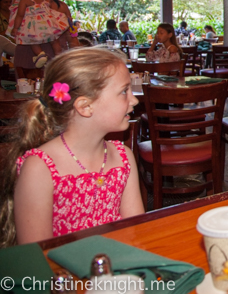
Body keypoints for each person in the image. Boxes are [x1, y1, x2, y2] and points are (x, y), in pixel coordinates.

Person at [0, 48, 143, 246]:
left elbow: (137, 233)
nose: (134, 99)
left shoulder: (123, 157)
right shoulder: (39, 169)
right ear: (85, 106)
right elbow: (38, 257)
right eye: (123, 91)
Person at [12, 0, 75, 74]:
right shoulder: (22, 3)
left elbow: (72, 38)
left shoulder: (62, 7)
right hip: (27, 58)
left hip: (56, 61)